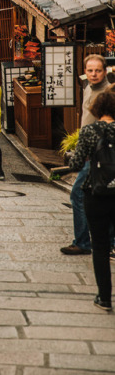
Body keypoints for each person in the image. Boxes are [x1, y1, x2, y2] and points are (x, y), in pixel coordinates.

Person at [66, 89, 115, 311]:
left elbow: (75, 165)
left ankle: (104, 297)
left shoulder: (89, 131)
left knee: (101, 247)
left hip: (96, 193)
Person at [61, 54, 112, 256]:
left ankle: (84, 241)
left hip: (100, 153)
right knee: (93, 194)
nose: (93, 74)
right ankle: (94, 241)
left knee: (81, 194)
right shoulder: (88, 87)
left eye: (97, 70)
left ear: (105, 71)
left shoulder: (109, 92)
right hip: (89, 150)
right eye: (89, 70)